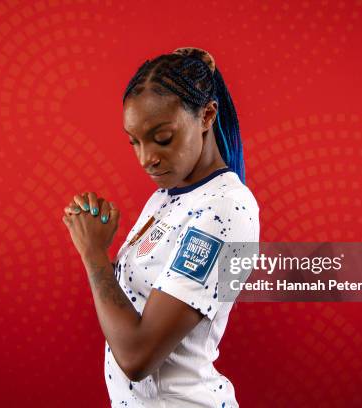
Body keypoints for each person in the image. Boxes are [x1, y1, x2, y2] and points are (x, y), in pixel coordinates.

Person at [62, 47, 260, 407]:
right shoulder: (168, 196)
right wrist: (99, 239)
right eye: (134, 142)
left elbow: (138, 357)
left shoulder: (226, 208)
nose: (146, 158)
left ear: (207, 115)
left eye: (162, 138)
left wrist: (93, 254)